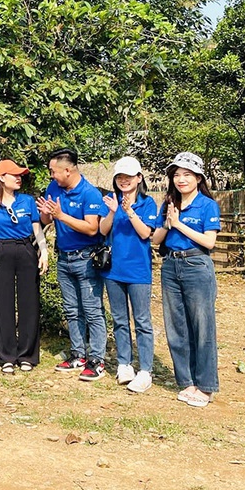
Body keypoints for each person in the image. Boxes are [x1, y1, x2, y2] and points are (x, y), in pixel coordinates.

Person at [152, 152, 221, 408]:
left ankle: (206, 386)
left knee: (202, 327)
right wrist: (168, 224)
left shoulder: (207, 205)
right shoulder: (168, 204)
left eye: (187, 175)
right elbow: (156, 239)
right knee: (176, 327)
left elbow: (209, 242)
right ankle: (187, 382)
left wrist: (179, 224)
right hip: (170, 265)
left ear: (198, 177)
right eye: (177, 175)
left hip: (196, 265)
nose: (181, 179)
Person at [37, 148, 107, 381]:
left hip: (86, 257)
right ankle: (78, 353)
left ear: (67, 170)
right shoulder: (54, 188)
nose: (51, 175)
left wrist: (60, 215)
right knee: (71, 309)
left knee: (92, 310)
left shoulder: (90, 194)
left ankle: (96, 359)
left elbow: (92, 228)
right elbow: (47, 220)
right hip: (64, 257)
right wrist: (47, 214)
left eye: (53, 171)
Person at [0, 160, 48, 374]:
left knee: (29, 302)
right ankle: (5, 355)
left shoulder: (26, 201)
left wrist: (43, 251)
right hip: (1, 251)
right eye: (14, 175)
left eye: (20, 175)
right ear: (0, 178)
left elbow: (37, 230)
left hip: (25, 250)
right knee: (2, 303)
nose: (19, 178)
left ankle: (27, 355)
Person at [99, 156, 158, 393]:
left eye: (129, 177)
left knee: (142, 321)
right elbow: (103, 230)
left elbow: (146, 234)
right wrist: (113, 212)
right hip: (113, 270)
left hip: (138, 271)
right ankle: (125, 364)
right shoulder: (111, 201)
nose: (124, 181)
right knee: (120, 320)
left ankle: (146, 369)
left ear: (139, 178)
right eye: (120, 177)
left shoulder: (148, 203)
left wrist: (129, 211)